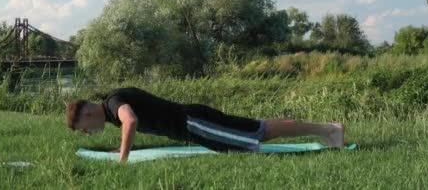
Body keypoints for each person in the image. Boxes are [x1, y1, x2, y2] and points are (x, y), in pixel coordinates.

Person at [65, 87, 344, 162]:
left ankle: (329, 130)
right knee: (258, 129)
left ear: (87, 114)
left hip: (194, 123)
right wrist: (121, 148)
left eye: (84, 128)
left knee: (259, 132)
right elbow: (129, 123)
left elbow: (132, 121)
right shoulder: (113, 106)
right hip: (195, 123)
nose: (89, 133)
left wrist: (123, 158)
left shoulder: (113, 103)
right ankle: (327, 129)